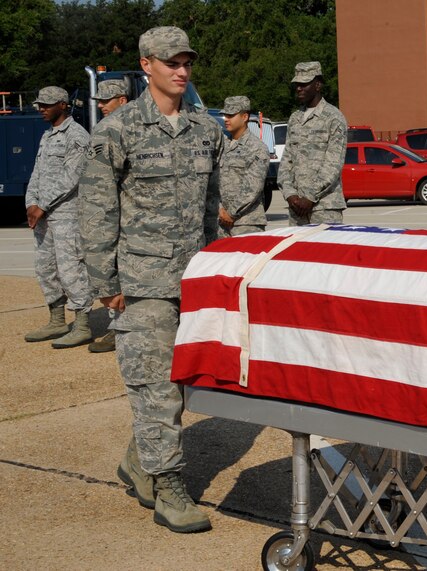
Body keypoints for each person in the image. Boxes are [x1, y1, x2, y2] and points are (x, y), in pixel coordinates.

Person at [79, 26, 224, 533]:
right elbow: (96, 211)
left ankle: (141, 459)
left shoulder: (207, 130)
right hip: (141, 283)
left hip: (192, 279)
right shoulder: (117, 131)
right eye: (170, 62)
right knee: (156, 387)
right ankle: (168, 487)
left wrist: (213, 272)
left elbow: (211, 211)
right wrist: (105, 280)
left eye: (186, 61)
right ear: (146, 65)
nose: (181, 70)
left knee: (183, 383)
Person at [23, 86, 94, 349]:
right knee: (45, 268)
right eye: (40, 104)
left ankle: (83, 324)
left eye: (48, 104)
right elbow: (37, 172)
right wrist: (31, 201)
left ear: (63, 105)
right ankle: (56, 320)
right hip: (44, 217)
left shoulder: (77, 136)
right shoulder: (48, 136)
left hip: (66, 215)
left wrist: (41, 204)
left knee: (71, 270)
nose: (42, 108)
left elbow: (72, 178)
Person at [88, 79, 130, 354]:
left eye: (106, 100)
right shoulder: (103, 131)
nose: (101, 105)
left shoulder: (129, 130)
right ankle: (118, 328)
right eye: (99, 101)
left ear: (122, 100)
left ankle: (121, 329)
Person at [278, 61, 347, 225]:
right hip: (297, 208)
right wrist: (289, 194)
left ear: (318, 85)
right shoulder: (295, 118)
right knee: (298, 251)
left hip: (324, 207)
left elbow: (333, 164)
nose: (299, 88)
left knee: (327, 252)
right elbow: (287, 161)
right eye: (297, 84)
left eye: (304, 84)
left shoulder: (333, 117)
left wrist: (309, 196)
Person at [218, 96, 270, 236]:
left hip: (247, 223)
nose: (226, 119)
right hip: (221, 222)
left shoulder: (257, 148)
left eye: (231, 115)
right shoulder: (221, 145)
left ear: (244, 116)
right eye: (225, 115)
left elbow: (253, 187)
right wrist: (219, 210)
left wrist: (231, 213)